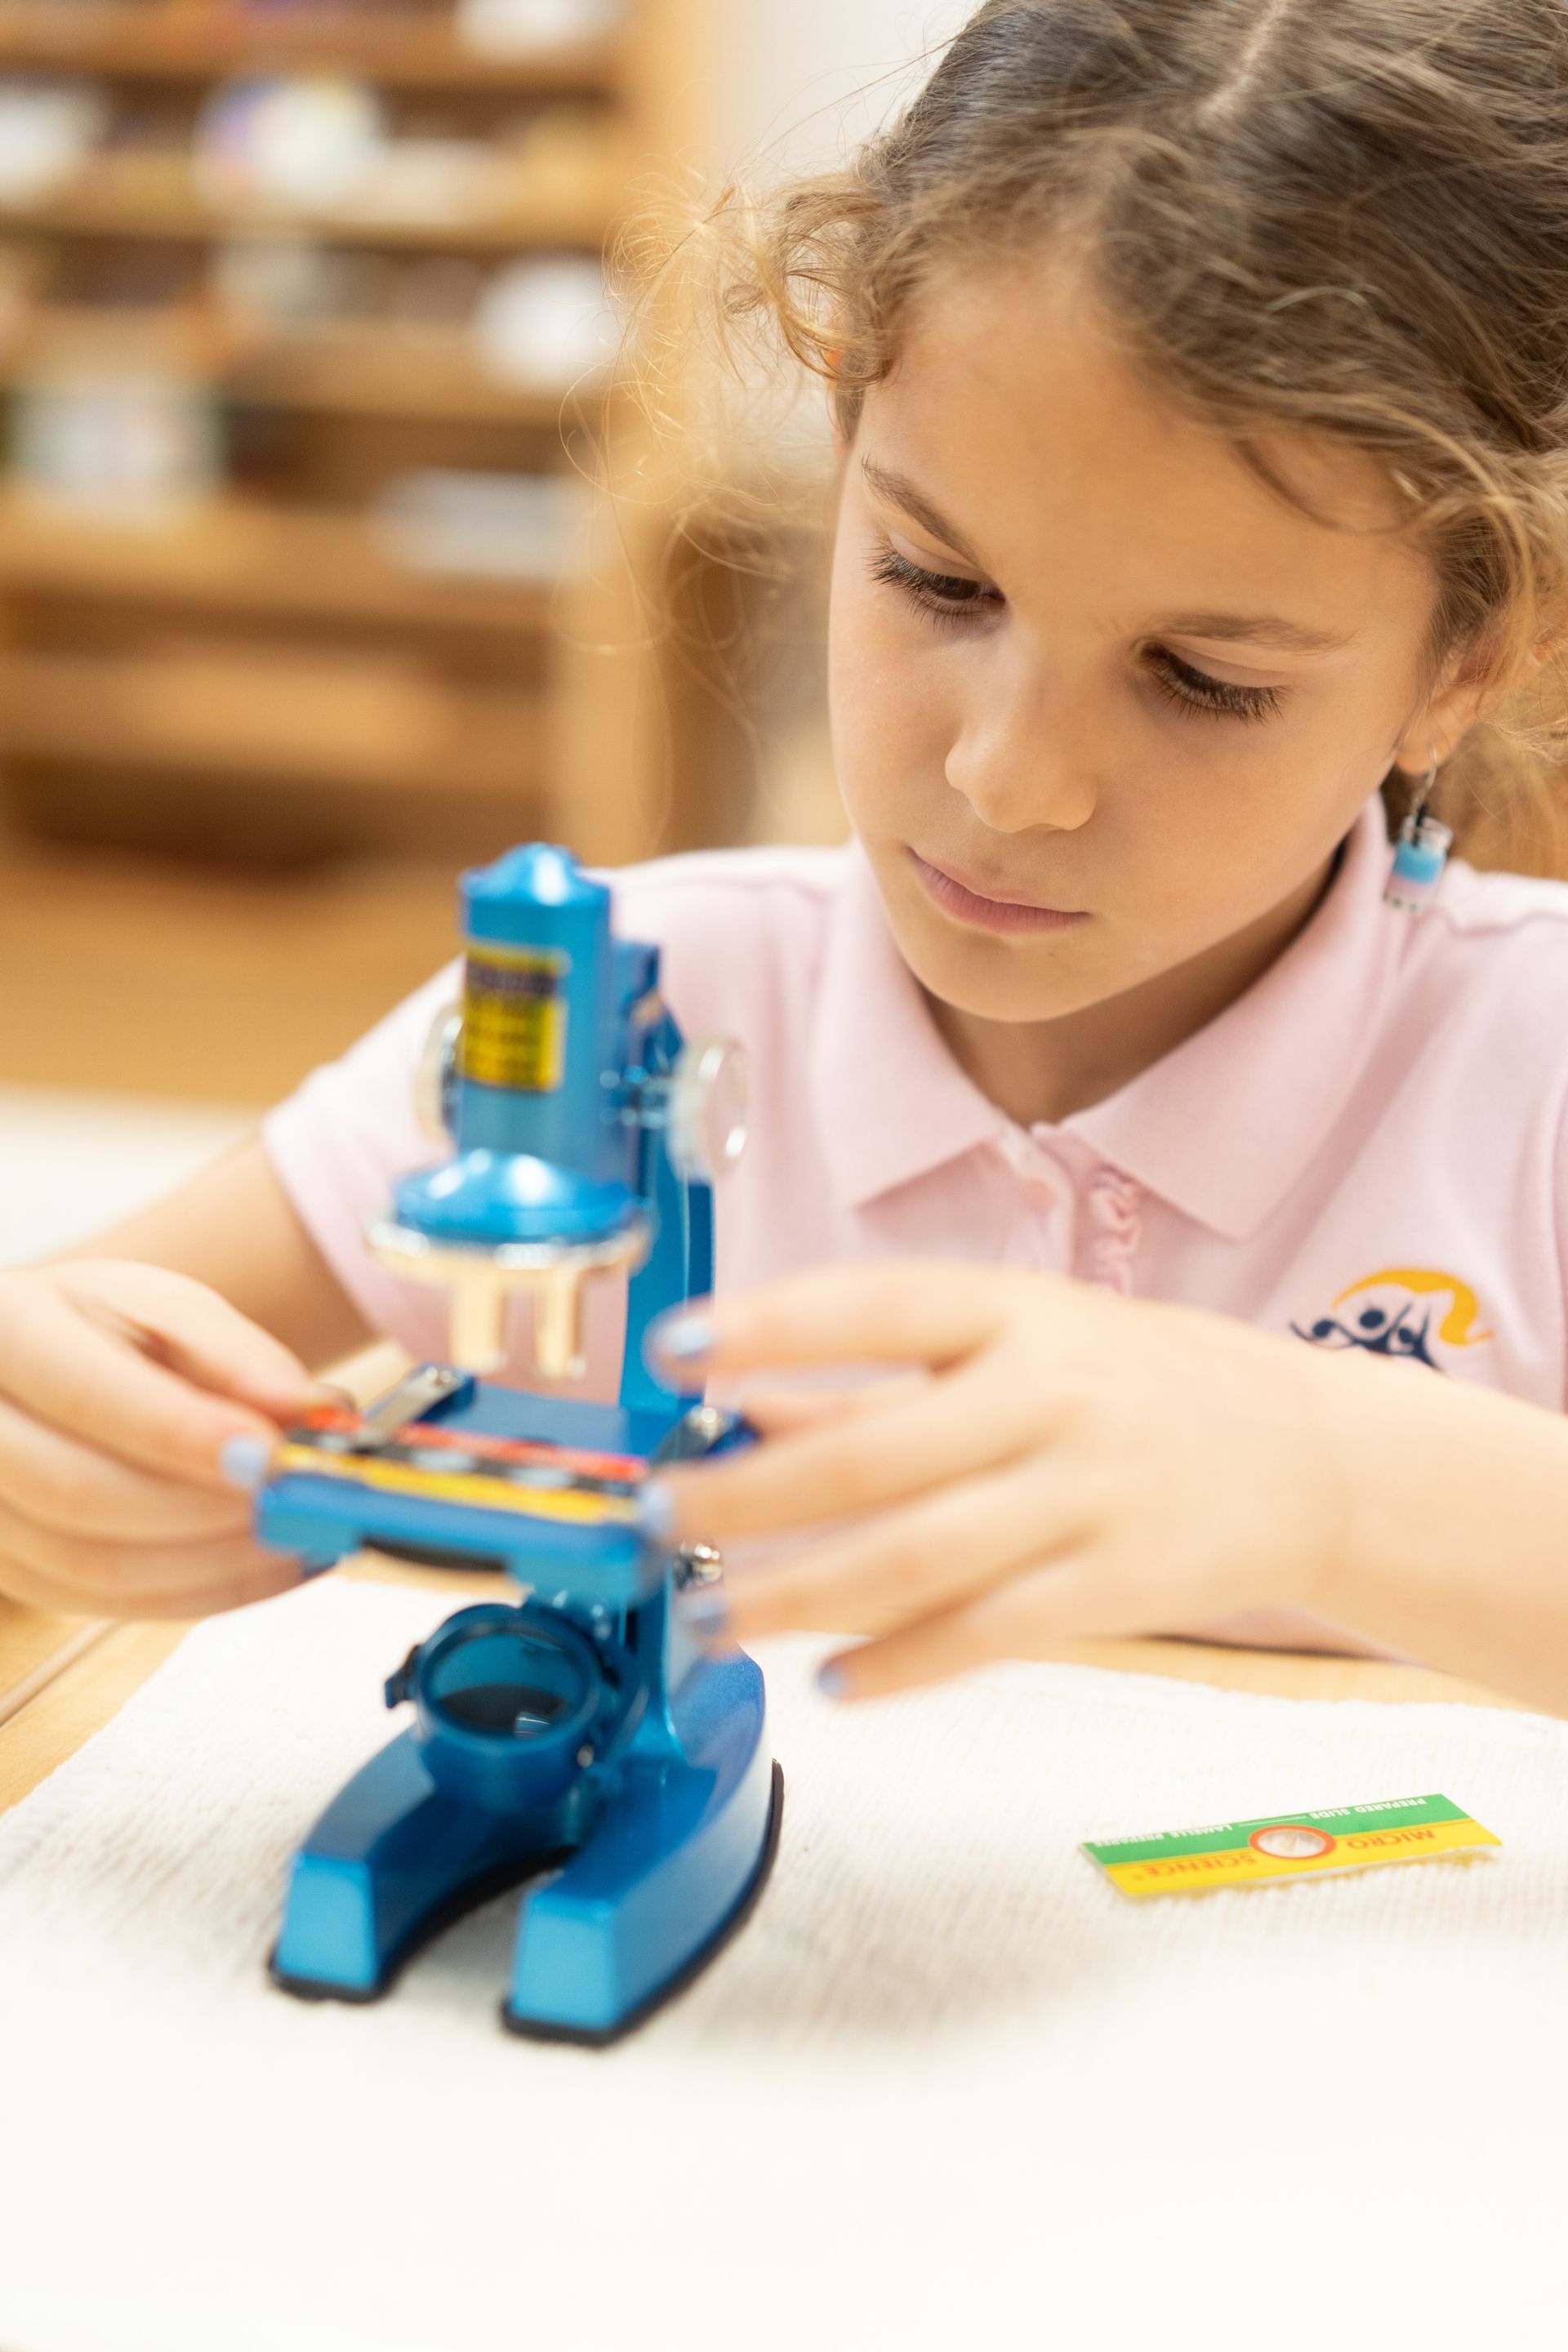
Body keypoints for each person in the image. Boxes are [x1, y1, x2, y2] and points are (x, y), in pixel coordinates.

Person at [9, 0, 1568, 1713]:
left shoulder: (1535, 1077)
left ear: (1473, 658)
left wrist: (1330, 1477)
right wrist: (50, 1444)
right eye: (938, 581)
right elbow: (74, 1361)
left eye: (1204, 678)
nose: (1007, 778)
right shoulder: (616, 1001)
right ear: (845, 438)